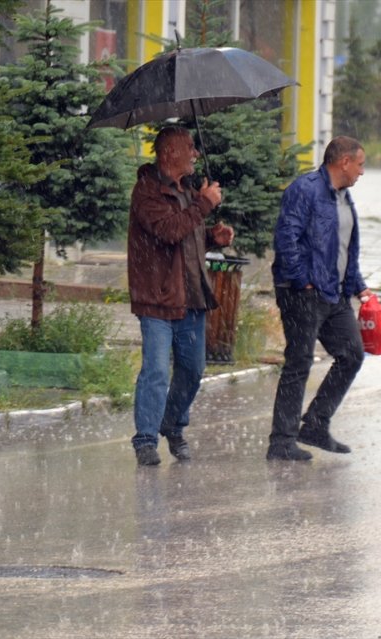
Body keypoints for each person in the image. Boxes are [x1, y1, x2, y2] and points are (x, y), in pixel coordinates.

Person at [128, 126, 234, 466]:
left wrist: (213, 236)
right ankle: (145, 439)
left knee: (192, 370)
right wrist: (204, 204)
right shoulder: (147, 191)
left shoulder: (186, 189)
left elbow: (188, 235)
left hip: (191, 297)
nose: (195, 154)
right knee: (156, 371)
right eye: (190, 148)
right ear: (169, 152)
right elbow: (168, 231)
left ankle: (171, 423)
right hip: (158, 298)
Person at [267, 136, 372, 461]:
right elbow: (287, 236)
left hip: (335, 292)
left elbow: (345, 248)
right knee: (299, 362)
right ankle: (281, 441)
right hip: (303, 292)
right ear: (344, 162)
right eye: (360, 164)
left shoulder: (344, 197)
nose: (362, 172)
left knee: (352, 354)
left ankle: (314, 423)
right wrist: (302, 281)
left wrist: (358, 286)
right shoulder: (306, 190)